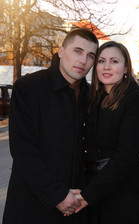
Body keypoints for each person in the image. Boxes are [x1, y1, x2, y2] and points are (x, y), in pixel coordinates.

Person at [2, 28, 98, 224]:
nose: (83, 60)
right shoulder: (29, 87)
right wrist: (57, 195)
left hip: (76, 205)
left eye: (90, 56)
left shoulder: (92, 96)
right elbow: (23, 150)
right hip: (33, 204)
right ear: (61, 52)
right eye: (77, 51)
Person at [73, 41, 139, 224]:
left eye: (114, 61)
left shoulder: (137, 101)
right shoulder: (92, 99)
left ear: (126, 67)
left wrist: (87, 195)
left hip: (127, 196)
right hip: (94, 191)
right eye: (101, 61)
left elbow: (128, 157)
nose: (106, 67)